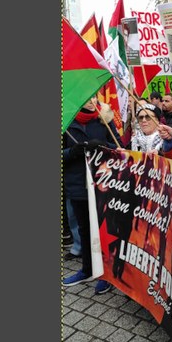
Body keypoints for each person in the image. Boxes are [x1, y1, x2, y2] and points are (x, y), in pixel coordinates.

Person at [62, 97, 119, 294]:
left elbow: (119, 147)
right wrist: (73, 151)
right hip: (77, 186)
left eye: (94, 95)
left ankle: (107, 274)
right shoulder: (66, 121)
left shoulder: (105, 118)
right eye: (86, 97)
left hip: (103, 185)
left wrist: (103, 146)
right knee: (85, 230)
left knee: (105, 230)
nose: (90, 100)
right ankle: (87, 270)